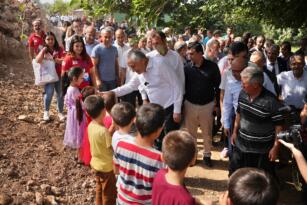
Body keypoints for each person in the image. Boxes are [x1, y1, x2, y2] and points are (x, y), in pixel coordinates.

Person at [110, 50, 183, 150]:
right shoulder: (139, 71)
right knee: (157, 138)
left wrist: (177, 110)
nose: (132, 70)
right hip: (155, 109)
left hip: (170, 107)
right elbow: (130, 86)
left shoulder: (160, 64)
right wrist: (111, 92)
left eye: (133, 66)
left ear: (143, 61)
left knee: (171, 139)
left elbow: (177, 85)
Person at [229, 66, 284, 176]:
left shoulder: (271, 101)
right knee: (236, 175)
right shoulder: (242, 94)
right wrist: (235, 132)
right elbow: (239, 113)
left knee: (260, 180)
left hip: (262, 152)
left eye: (244, 83)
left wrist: (275, 147)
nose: (241, 85)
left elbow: (279, 126)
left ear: (255, 84)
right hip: (241, 146)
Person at [113, 103, 166, 204]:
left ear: (135, 122)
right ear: (159, 130)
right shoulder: (160, 159)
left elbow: (116, 170)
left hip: (122, 200)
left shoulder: (120, 145)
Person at [184, 42, 221, 167]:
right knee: (191, 133)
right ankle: (193, 156)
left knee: (207, 132)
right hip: (190, 104)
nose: (190, 56)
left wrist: (216, 105)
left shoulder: (212, 67)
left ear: (200, 53)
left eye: (192, 54)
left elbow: (218, 86)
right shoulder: (187, 68)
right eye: (189, 54)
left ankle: (207, 155)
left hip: (207, 105)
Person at [84, 95, 117, 205]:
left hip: (95, 164)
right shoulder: (103, 131)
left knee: (99, 188)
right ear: (104, 111)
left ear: (88, 113)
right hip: (107, 168)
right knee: (109, 193)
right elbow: (111, 146)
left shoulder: (90, 126)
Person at [152, 130, 197, 205]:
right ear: (193, 160)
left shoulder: (159, 174)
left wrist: (195, 201)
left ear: (162, 158)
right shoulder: (185, 200)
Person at [35, 31, 65, 121]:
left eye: (52, 39)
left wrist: (55, 59)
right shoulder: (43, 49)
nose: (50, 41)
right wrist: (43, 50)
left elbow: (63, 60)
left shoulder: (59, 49)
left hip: (59, 75)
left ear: (55, 39)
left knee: (60, 94)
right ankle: (46, 112)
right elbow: (38, 60)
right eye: (48, 39)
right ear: (45, 40)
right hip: (48, 76)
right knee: (49, 93)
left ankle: (60, 112)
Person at [63, 67, 86, 156]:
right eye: (81, 78)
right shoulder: (75, 90)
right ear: (74, 79)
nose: (83, 80)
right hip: (77, 114)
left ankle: (78, 154)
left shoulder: (69, 88)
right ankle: (80, 156)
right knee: (79, 132)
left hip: (72, 114)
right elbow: (81, 105)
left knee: (75, 132)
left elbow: (66, 101)